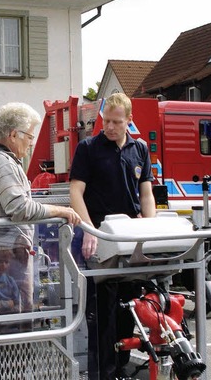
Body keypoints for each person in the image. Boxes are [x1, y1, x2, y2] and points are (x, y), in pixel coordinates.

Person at [0, 102, 81, 332]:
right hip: (8, 257)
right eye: (29, 137)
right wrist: (61, 210)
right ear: (12, 135)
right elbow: (20, 209)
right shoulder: (4, 164)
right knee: (17, 320)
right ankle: (18, 365)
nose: (31, 144)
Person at [69, 92, 156, 380]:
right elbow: (75, 192)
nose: (109, 127)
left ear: (130, 120)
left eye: (116, 122)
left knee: (128, 307)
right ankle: (102, 373)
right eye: (106, 121)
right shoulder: (88, 148)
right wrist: (89, 229)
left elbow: (146, 193)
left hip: (130, 241)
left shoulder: (140, 148)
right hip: (100, 239)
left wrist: (151, 230)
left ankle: (121, 366)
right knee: (101, 313)